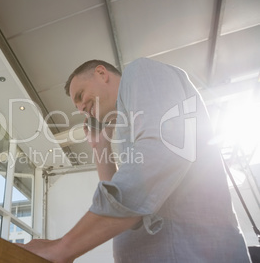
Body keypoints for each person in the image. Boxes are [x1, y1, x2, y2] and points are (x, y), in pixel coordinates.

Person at [20, 58, 251, 262]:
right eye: (78, 107)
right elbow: (134, 209)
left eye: (80, 95)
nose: (81, 108)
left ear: (101, 73)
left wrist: (63, 247)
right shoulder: (127, 127)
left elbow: (161, 155)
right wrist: (100, 145)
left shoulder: (140, 71)